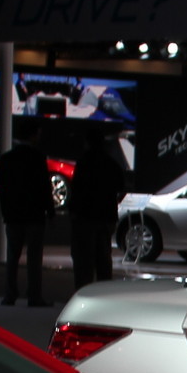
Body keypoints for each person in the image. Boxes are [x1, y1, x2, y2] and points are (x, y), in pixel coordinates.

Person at [0, 128, 53, 306]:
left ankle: (10, 294)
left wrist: (6, 211)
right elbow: (44, 187)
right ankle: (33, 296)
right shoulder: (38, 158)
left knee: (12, 256)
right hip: (34, 215)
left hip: (14, 215)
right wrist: (49, 209)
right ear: (33, 135)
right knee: (34, 258)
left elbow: (2, 188)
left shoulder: (6, 159)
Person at [68, 121, 128, 291]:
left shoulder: (83, 163)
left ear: (87, 142)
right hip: (105, 217)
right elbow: (121, 187)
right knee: (103, 259)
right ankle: (103, 294)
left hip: (85, 217)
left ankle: (82, 294)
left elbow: (77, 190)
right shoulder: (111, 163)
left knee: (83, 261)